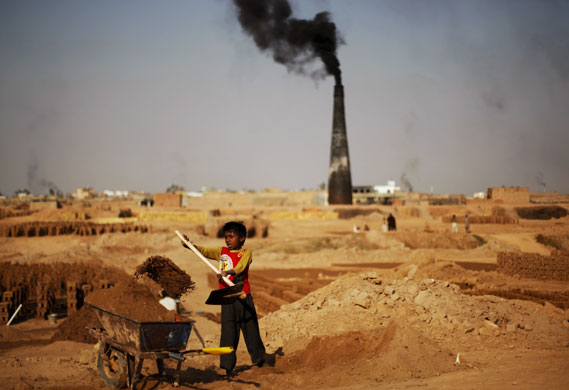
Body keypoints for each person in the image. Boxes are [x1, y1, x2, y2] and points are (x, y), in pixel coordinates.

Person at [183, 221, 265, 376]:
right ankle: (228, 367)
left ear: (242, 238)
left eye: (231, 237)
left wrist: (230, 272)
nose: (228, 240)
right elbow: (204, 252)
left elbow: (241, 266)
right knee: (228, 332)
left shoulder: (246, 253)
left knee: (251, 329)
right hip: (227, 298)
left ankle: (259, 361)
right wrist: (190, 245)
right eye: (226, 237)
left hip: (243, 297)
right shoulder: (221, 252)